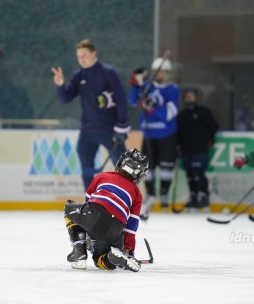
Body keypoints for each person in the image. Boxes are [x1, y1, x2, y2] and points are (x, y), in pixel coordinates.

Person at [51, 39, 130, 190]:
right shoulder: (78, 76)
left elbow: (121, 99)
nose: (82, 59)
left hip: (110, 131)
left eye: (85, 55)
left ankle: (131, 202)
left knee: (124, 169)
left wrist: (122, 124)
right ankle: (91, 203)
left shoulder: (108, 73)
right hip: (87, 131)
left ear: (94, 54)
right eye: (79, 56)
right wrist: (60, 85)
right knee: (86, 169)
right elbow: (64, 99)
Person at [63, 148, 148, 272]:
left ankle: (79, 250)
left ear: (120, 163)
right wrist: (128, 249)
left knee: (69, 209)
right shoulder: (137, 193)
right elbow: (131, 227)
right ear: (139, 174)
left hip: (95, 213)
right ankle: (112, 258)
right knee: (100, 261)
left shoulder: (103, 176)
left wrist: (89, 233)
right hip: (116, 229)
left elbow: (88, 201)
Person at [129, 57, 180, 220]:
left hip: (167, 135)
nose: (159, 74)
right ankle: (150, 194)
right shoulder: (147, 87)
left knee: (166, 167)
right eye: (157, 71)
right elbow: (132, 100)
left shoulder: (173, 89)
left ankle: (164, 193)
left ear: (168, 73)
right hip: (149, 134)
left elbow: (169, 114)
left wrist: (153, 108)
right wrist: (135, 85)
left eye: (162, 71)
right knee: (147, 168)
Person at [177, 88, 218, 209]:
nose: (189, 98)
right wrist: (178, 144)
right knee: (189, 174)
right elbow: (178, 132)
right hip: (186, 149)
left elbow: (213, 126)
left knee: (198, 173)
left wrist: (210, 138)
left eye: (191, 96)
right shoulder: (182, 115)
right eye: (187, 96)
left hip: (200, 148)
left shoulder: (204, 112)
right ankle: (193, 196)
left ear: (196, 97)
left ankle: (203, 196)